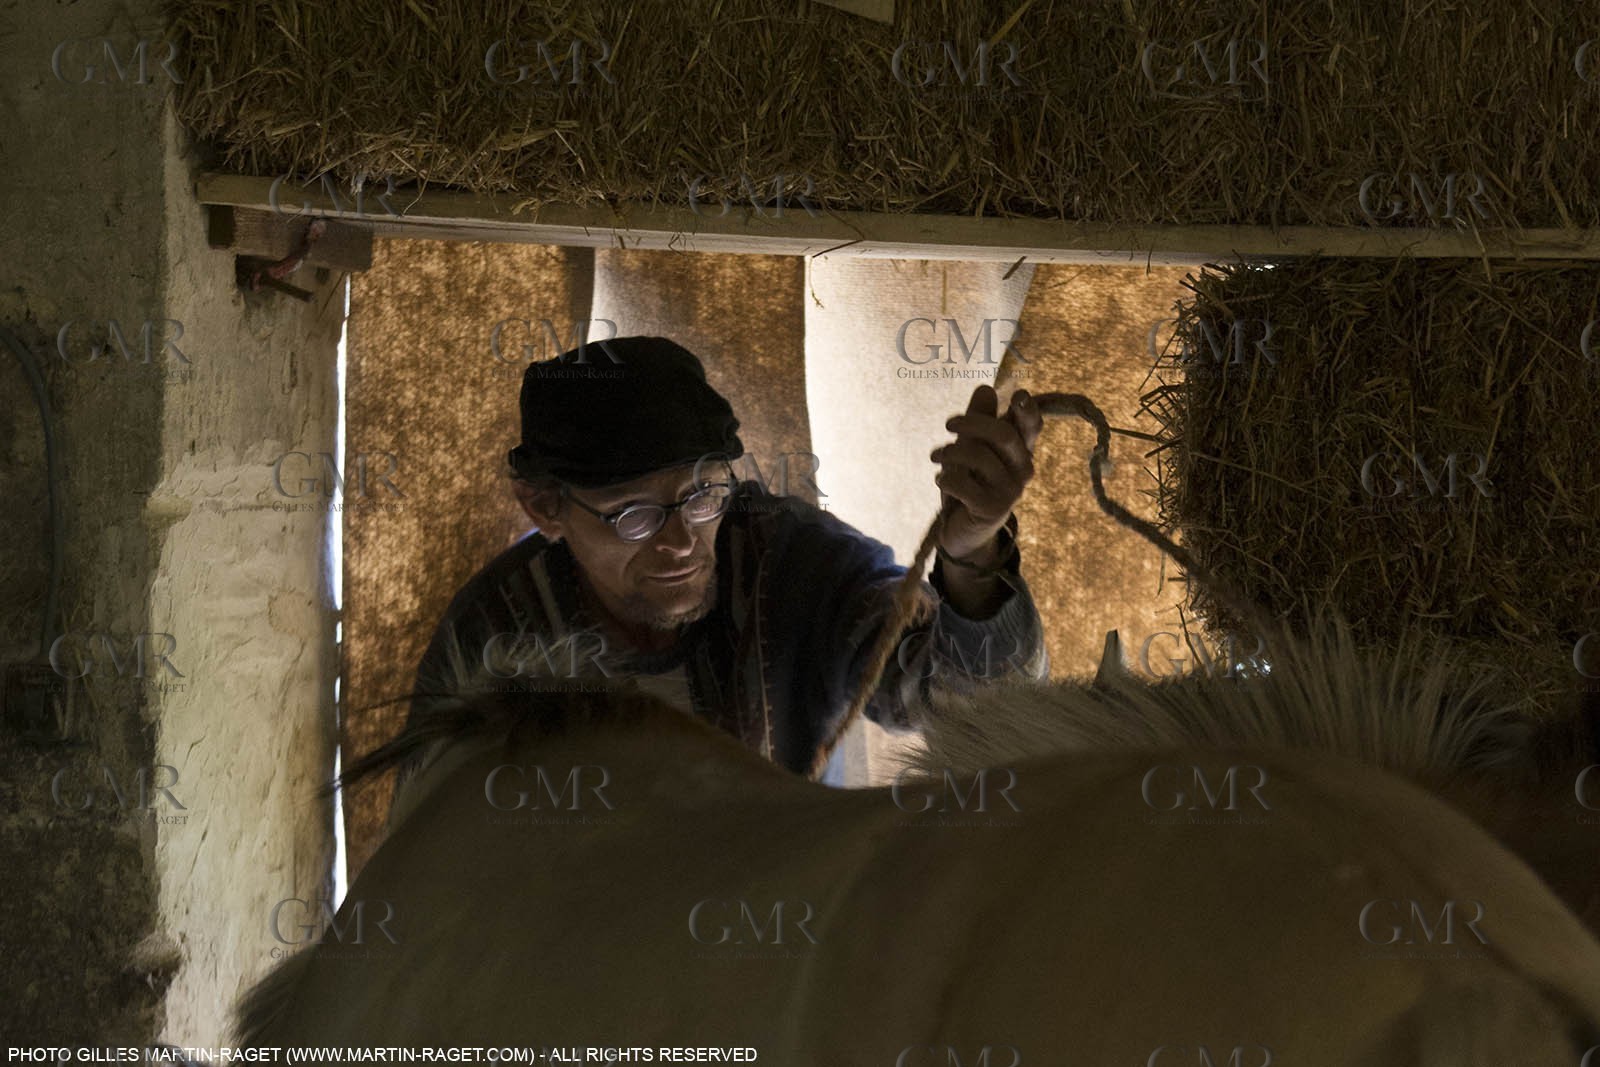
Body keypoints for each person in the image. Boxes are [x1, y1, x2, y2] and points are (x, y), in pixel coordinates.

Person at [390, 335, 1048, 805]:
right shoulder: (498, 631)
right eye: (634, 516)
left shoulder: (790, 563)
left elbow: (974, 708)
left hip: (765, 945)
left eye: (704, 495)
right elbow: (435, 858)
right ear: (545, 507)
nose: (681, 541)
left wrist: (972, 552)